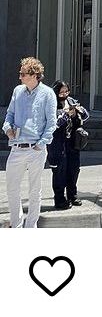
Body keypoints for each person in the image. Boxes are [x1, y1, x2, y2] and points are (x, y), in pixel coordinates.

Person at [3, 57, 58, 228]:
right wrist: (7, 128)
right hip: (16, 147)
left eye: (23, 74)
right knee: (12, 188)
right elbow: (10, 114)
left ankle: (31, 227)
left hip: (36, 149)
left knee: (35, 190)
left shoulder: (47, 93)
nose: (20, 77)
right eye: (20, 73)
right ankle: (16, 225)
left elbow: (52, 122)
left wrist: (41, 144)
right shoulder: (18, 91)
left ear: (34, 75)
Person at [49, 80, 89, 210]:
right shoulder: (51, 103)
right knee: (59, 171)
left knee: (74, 169)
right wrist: (65, 115)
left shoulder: (71, 101)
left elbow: (86, 116)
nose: (64, 94)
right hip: (58, 143)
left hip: (72, 142)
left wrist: (78, 111)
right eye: (61, 92)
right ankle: (60, 199)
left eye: (66, 91)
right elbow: (54, 124)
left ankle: (72, 195)